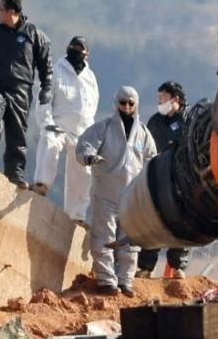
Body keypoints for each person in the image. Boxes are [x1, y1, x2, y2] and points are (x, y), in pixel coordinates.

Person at [77, 86, 157, 297]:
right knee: (104, 237)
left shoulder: (144, 134)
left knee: (130, 241)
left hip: (132, 198)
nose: (127, 107)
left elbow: (151, 158)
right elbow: (85, 144)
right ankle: (106, 280)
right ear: (116, 103)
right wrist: (89, 157)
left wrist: (149, 183)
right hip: (106, 194)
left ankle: (125, 280)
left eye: (131, 103)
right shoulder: (103, 128)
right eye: (123, 103)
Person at [0, 0, 53, 189]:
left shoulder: (34, 35)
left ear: (12, 12)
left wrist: (47, 86)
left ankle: (15, 175)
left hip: (21, 89)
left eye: (0, 9)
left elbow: (45, 63)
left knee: (17, 132)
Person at [33, 36, 99, 224]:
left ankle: (76, 214)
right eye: (74, 47)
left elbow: (92, 104)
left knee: (83, 171)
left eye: (80, 48)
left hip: (83, 131)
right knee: (50, 142)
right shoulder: (55, 72)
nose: (76, 51)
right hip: (59, 125)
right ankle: (41, 183)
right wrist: (47, 122)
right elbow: (43, 100)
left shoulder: (90, 77)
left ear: (87, 53)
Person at [136, 81, 191, 279]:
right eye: (159, 99)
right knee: (153, 223)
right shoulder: (155, 122)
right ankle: (145, 267)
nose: (160, 102)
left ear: (175, 99)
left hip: (182, 181)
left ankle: (178, 268)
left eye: (163, 99)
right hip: (158, 179)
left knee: (180, 223)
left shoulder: (189, 120)